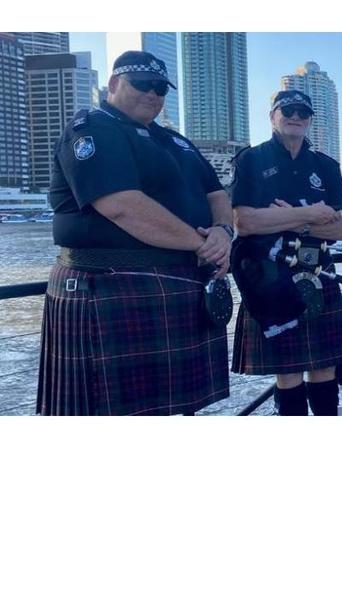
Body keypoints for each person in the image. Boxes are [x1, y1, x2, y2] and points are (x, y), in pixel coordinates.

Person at [37, 50, 231, 415]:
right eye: (141, 84)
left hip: (177, 288)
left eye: (160, 87)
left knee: (175, 412)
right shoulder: (92, 127)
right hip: (112, 286)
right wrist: (205, 245)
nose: (152, 94)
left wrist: (223, 232)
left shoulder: (177, 141)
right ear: (113, 84)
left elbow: (217, 193)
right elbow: (121, 204)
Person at [230, 89, 342, 415]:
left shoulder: (325, 166)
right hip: (269, 277)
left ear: (310, 119)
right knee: (287, 373)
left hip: (318, 270)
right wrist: (311, 214)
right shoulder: (252, 160)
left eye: (302, 111)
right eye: (287, 110)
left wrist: (287, 220)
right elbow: (244, 222)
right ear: (272, 116)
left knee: (325, 367)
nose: (295, 116)